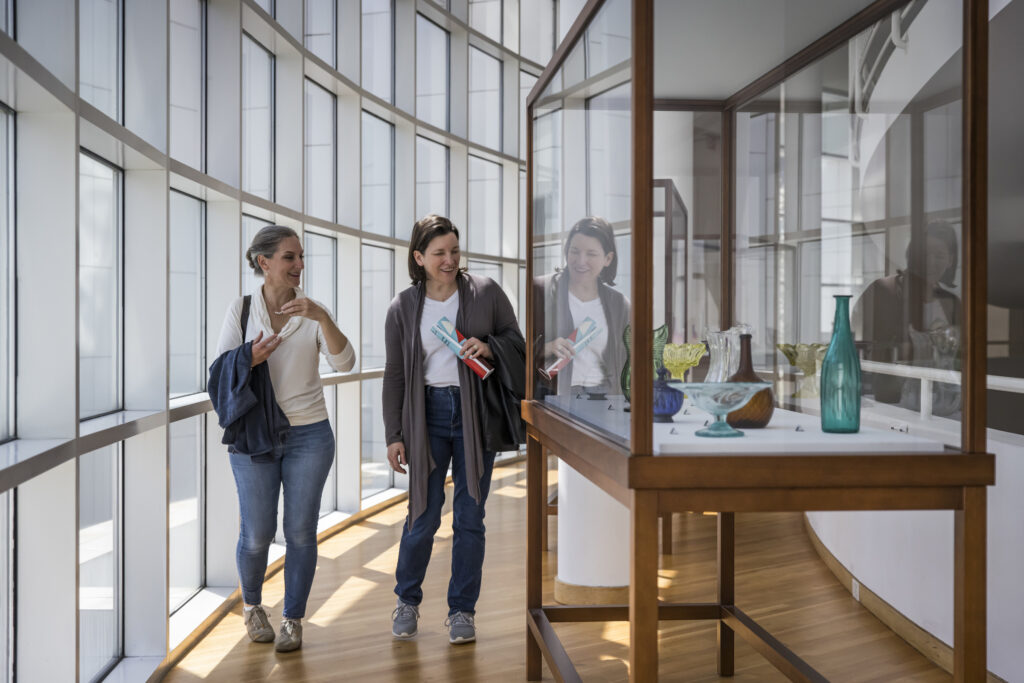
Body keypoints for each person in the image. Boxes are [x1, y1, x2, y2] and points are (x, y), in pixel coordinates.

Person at [213, 225, 355, 652]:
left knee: (300, 532)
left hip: (310, 435)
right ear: (265, 262)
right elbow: (220, 369)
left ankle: (293, 618)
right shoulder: (241, 310)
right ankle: (254, 607)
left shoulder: (312, 312)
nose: (299, 265)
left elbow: (345, 363)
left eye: (301, 257)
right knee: (256, 533)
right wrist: (250, 357)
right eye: (290, 257)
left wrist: (323, 317)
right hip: (254, 435)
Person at [383, 214, 524, 645]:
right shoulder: (403, 307)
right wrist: (394, 434)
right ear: (419, 257)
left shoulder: (486, 293)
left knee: (470, 517)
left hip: (473, 415)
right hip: (425, 417)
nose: (449, 260)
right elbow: (396, 375)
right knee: (422, 517)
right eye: (439, 253)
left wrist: (490, 346)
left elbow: (517, 340)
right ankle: (407, 599)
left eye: (455, 251)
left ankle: (462, 611)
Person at [854, 222, 961, 412]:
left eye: (940, 255)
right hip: (890, 402)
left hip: (944, 403)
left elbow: (961, 355)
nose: (931, 261)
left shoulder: (951, 302)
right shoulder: (882, 291)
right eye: (924, 253)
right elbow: (858, 345)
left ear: (950, 260)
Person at [534, 216, 630, 399]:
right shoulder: (540, 290)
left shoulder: (620, 306)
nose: (580, 261)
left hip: (606, 399)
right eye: (574, 251)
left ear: (608, 258)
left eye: (591, 254)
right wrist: (545, 348)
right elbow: (514, 348)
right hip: (554, 397)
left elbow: (632, 362)